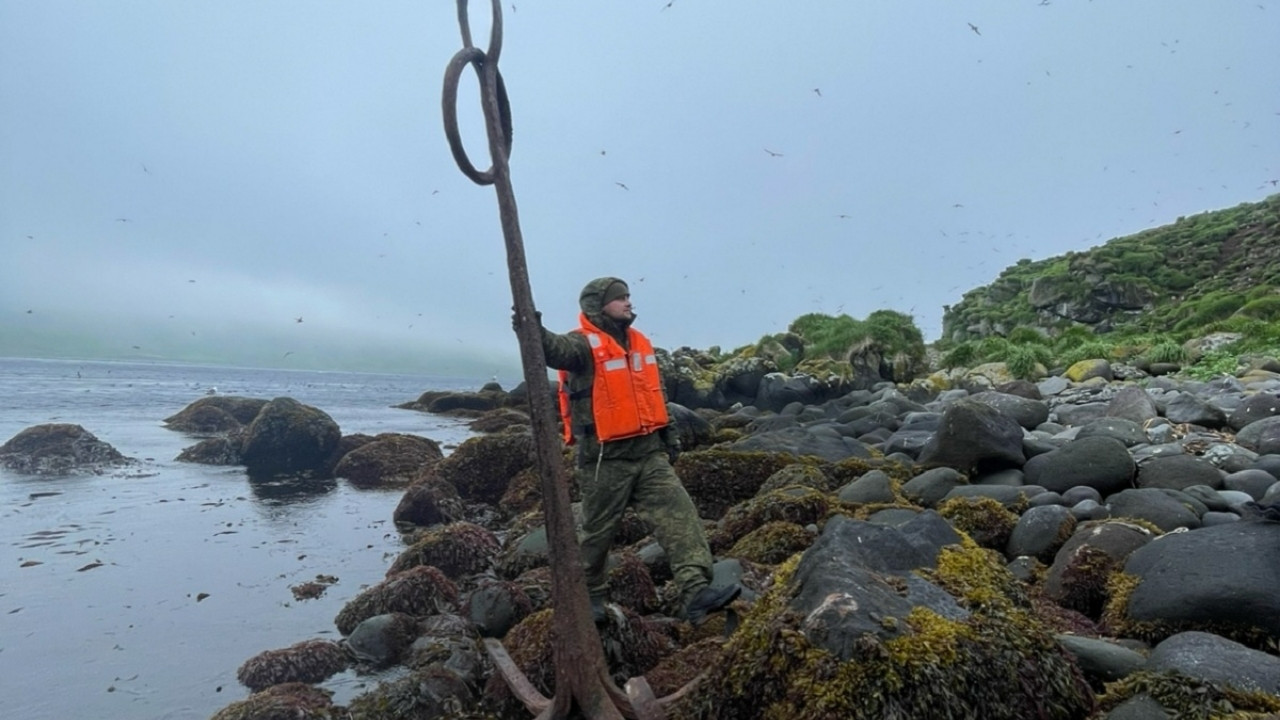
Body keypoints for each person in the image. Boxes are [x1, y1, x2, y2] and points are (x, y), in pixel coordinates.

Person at [528, 276, 741, 625]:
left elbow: (654, 396)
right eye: (620, 298)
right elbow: (550, 350)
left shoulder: (640, 344)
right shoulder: (582, 346)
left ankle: (695, 591)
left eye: (628, 296)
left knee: (682, 518)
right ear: (599, 306)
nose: (628, 302)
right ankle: (590, 600)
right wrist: (531, 326)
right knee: (596, 535)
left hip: (649, 455)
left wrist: (669, 438)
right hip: (603, 459)